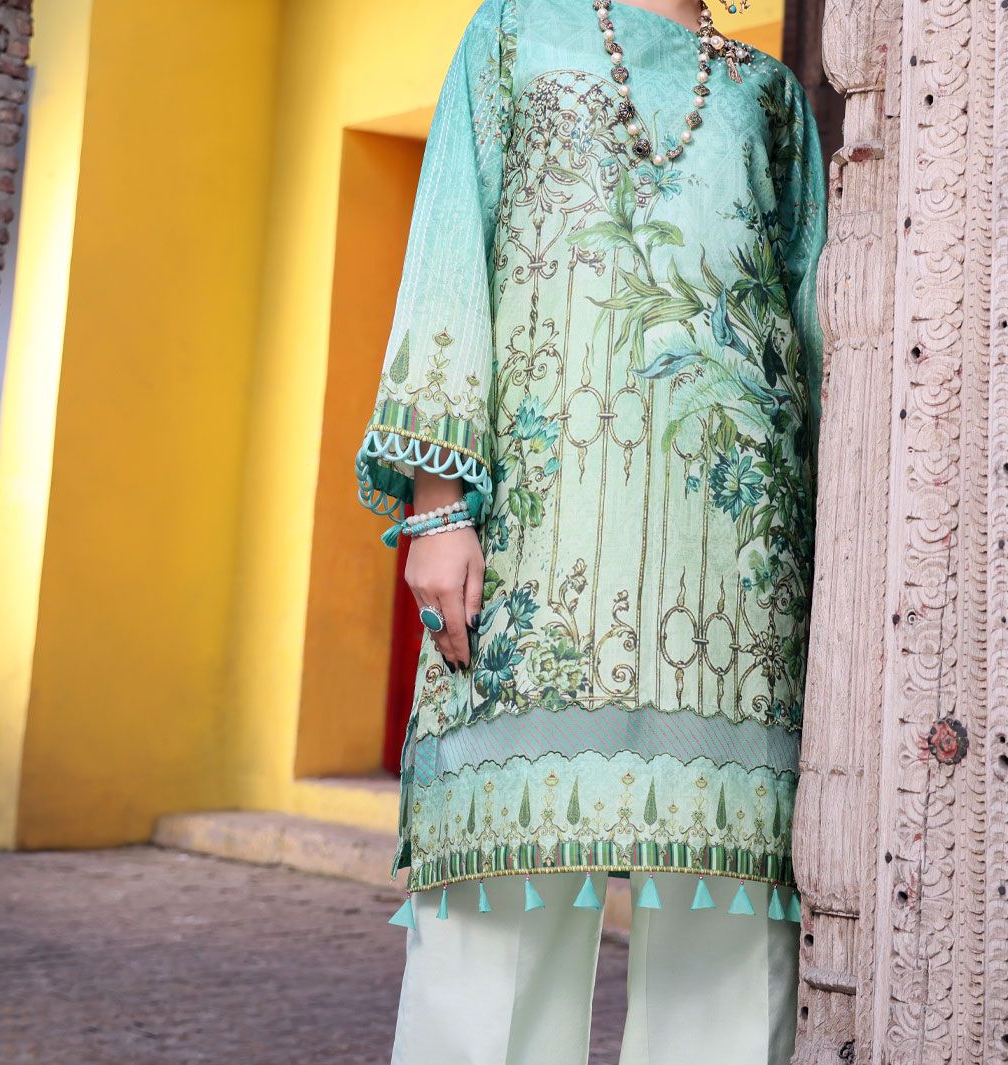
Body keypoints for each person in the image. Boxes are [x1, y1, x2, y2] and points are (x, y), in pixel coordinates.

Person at [354, 0, 827, 1059]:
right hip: (538, 554)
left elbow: (809, 331)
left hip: (735, 576)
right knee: (493, 920)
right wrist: (439, 506)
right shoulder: (514, 34)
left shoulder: (769, 97)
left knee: (728, 938)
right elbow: (451, 251)